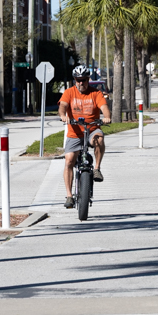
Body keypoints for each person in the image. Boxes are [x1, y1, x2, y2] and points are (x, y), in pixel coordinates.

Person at [59, 65, 112, 209]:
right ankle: (69, 196)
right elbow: (62, 106)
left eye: (83, 80)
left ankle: (96, 168)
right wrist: (63, 116)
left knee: (99, 139)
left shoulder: (96, 93)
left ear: (88, 79)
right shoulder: (69, 92)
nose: (81, 83)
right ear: (74, 80)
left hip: (92, 129)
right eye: (78, 80)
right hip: (74, 132)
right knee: (69, 160)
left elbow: (104, 108)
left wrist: (107, 117)